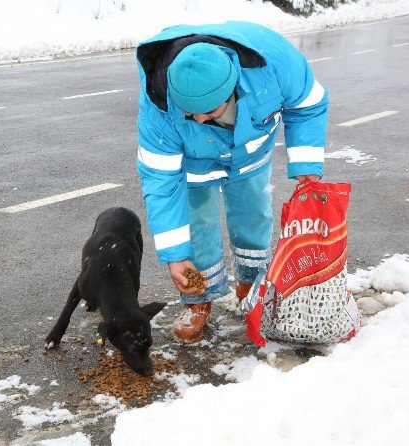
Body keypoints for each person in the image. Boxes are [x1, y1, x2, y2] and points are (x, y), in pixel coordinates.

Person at [135, 21, 328, 342]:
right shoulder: (158, 109)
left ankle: (250, 284)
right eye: (189, 112)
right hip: (193, 169)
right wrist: (174, 256)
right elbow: (161, 183)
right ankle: (197, 300)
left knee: (253, 219)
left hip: (250, 157)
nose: (198, 119)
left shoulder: (275, 62)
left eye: (208, 110)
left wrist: (306, 164)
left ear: (232, 87)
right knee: (197, 230)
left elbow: (308, 106)